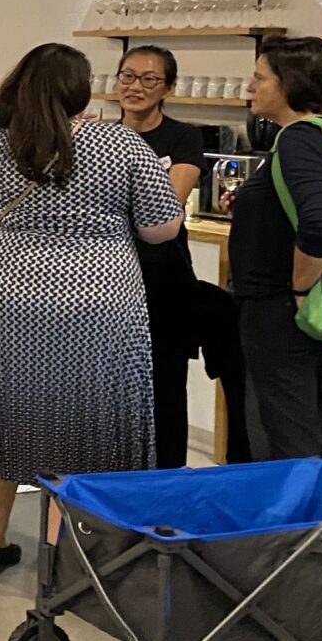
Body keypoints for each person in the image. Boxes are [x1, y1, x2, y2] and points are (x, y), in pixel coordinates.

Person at [0, 43, 183, 577]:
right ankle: (59, 554)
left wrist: (9, 107)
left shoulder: (4, 141)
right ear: (81, 91)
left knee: (4, 414)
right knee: (85, 424)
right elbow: (161, 228)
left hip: (9, 293)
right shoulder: (122, 143)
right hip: (97, 301)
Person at [227, 37, 322, 461]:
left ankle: (299, 506)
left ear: (289, 84)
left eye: (260, 78)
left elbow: (321, 226)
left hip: (283, 308)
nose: (250, 87)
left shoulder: (298, 140)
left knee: (291, 435)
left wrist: (300, 289)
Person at [114, 46, 206, 469]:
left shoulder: (183, 137)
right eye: (128, 76)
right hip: (113, 280)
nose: (135, 86)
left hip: (165, 280)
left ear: (168, 87)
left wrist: (115, 207)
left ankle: (169, 479)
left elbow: (169, 205)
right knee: (112, 386)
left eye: (149, 79)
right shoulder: (102, 137)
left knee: (166, 385)